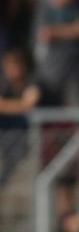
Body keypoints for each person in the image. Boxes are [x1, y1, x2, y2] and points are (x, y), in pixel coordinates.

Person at [35, 0, 79, 106]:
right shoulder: (45, 8)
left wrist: (56, 31)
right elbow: (44, 34)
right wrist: (72, 30)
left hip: (74, 68)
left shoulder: (77, 8)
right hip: (51, 69)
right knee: (50, 108)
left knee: (78, 106)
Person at [0, 50, 41, 187]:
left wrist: (8, 107)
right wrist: (21, 106)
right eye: (9, 67)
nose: (13, 71)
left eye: (15, 66)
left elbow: (30, 103)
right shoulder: (3, 84)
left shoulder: (33, 81)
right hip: (5, 139)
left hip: (27, 138)